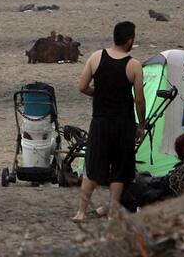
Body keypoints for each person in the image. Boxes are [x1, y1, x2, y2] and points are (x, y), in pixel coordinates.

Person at [72, 21, 146, 222]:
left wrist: (97, 94)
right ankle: (113, 213)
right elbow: (139, 100)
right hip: (123, 124)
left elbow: (82, 86)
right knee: (120, 171)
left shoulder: (96, 57)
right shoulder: (134, 65)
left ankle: (81, 212)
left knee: (93, 168)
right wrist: (141, 124)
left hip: (100, 122)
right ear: (129, 40)